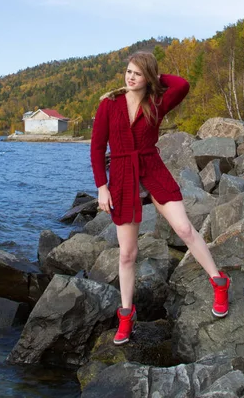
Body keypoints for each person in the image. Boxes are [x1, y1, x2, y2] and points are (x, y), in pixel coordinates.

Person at [90, 51, 230, 345]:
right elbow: (96, 147)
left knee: (184, 229)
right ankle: (126, 317)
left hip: (152, 170)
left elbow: (181, 85)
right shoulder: (109, 104)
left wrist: (153, 77)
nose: (130, 77)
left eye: (137, 74)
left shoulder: (157, 101)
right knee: (127, 254)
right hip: (121, 178)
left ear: (148, 78)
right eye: (128, 71)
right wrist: (101, 187)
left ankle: (219, 282)